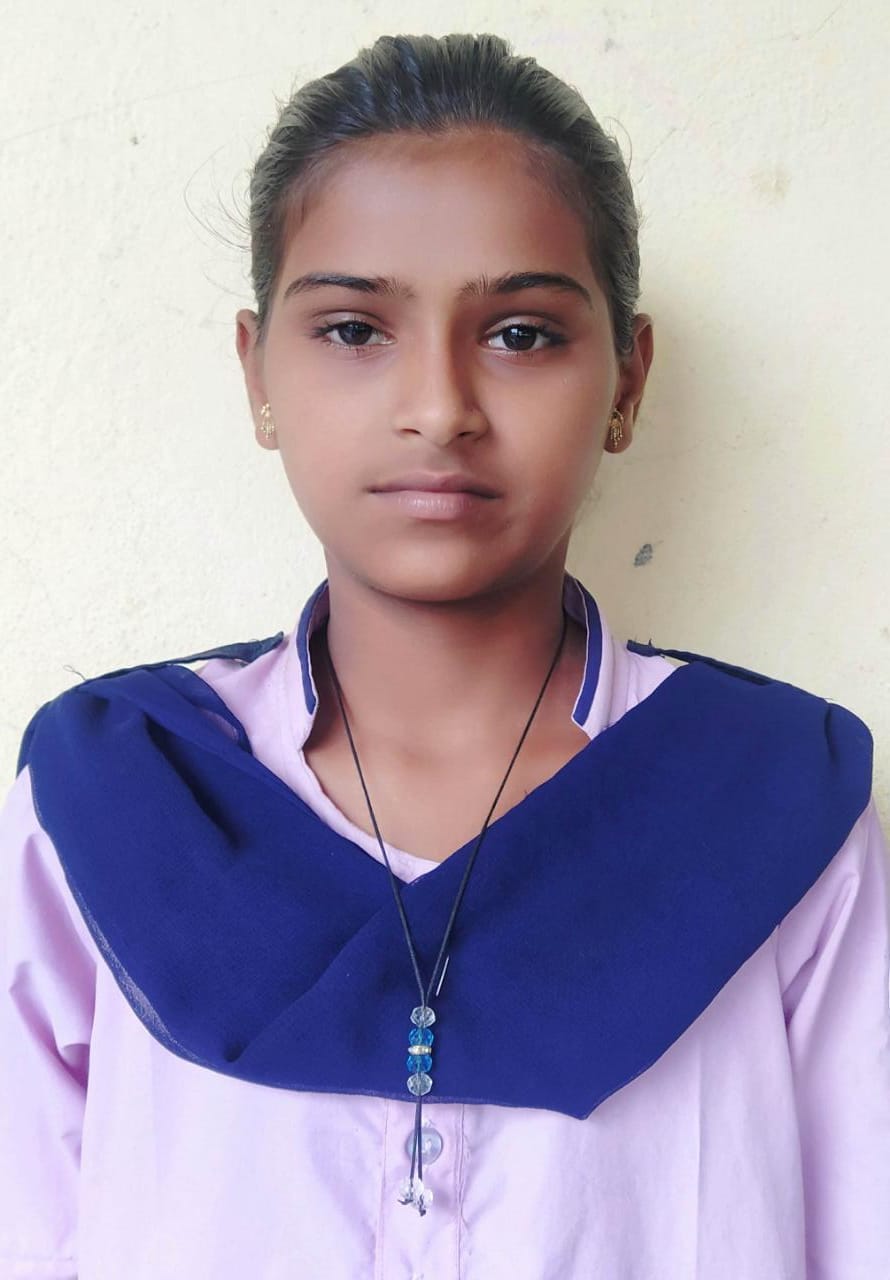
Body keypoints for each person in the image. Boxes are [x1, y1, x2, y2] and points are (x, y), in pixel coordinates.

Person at [2, 30, 888, 1280]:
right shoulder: (110, 799)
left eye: (519, 333)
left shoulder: (775, 804)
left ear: (625, 380)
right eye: (351, 329)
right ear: (256, 375)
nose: (438, 407)